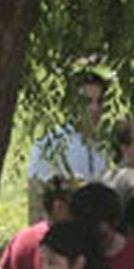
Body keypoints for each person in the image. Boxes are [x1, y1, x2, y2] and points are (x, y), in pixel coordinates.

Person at [28, 73, 110, 220]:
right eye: (87, 101)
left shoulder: (102, 147)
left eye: (99, 101)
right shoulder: (51, 144)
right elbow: (37, 200)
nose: (95, 108)